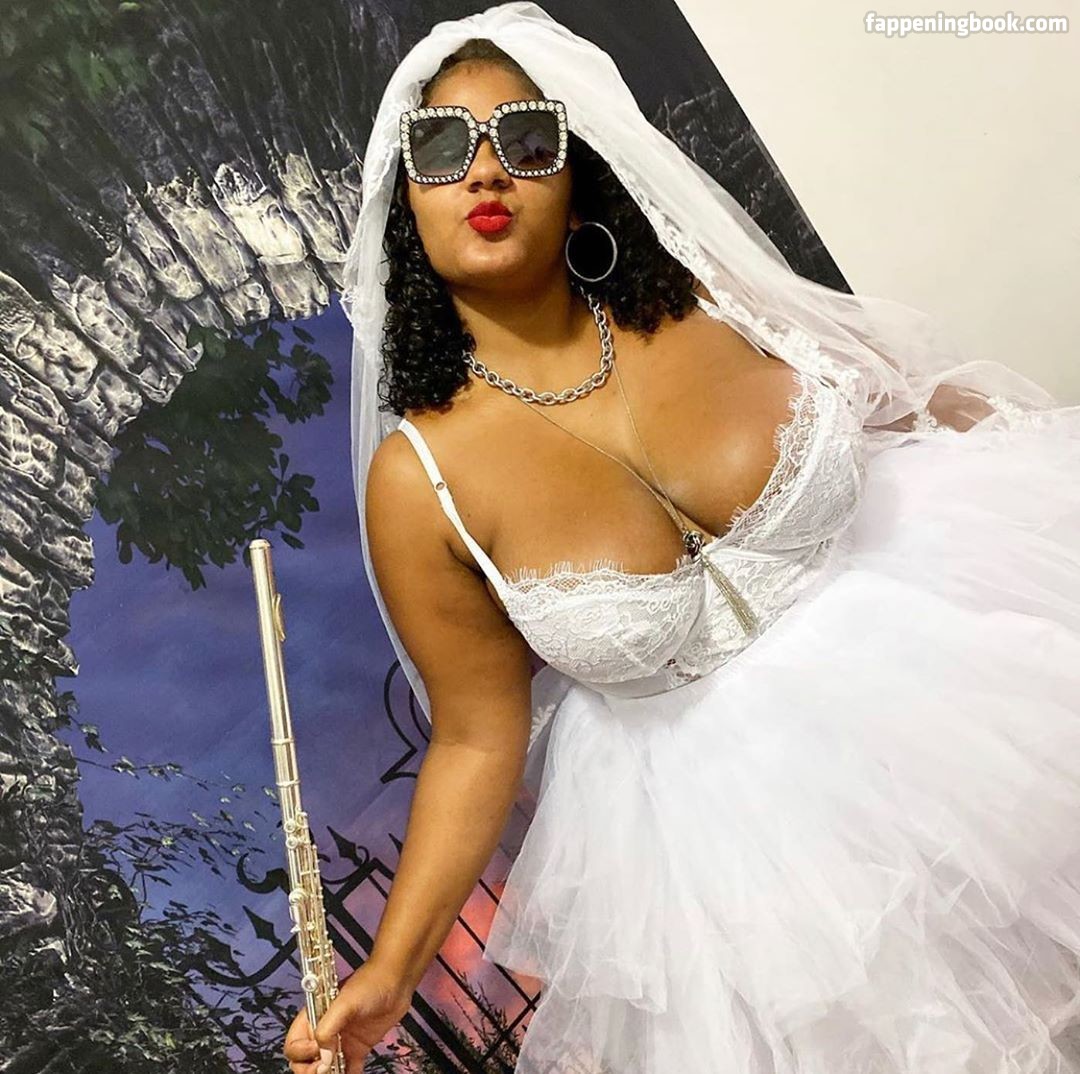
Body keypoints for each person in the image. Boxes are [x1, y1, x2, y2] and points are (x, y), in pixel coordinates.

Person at [286, 4, 1080, 1072]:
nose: (486, 171)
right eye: (440, 147)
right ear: (404, 206)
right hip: (745, 881)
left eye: (526, 137)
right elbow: (476, 739)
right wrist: (389, 975)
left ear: (577, 176)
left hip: (976, 723)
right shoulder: (419, 482)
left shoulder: (711, 297)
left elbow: (908, 407)